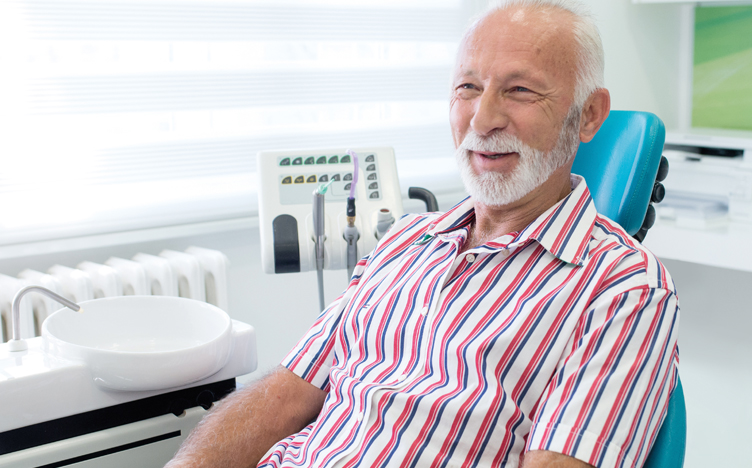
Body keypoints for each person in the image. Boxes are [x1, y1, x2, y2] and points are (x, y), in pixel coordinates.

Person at [166, 0, 680, 467]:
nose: (484, 117)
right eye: (468, 87)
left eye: (519, 90)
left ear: (588, 115)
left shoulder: (625, 289)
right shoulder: (404, 242)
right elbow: (285, 393)